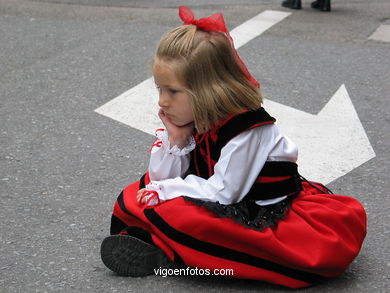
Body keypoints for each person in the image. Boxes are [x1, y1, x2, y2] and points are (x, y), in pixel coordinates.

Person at [100, 6, 366, 288]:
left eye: (173, 91)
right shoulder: (198, 117)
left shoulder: (248, 130)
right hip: (218, 197)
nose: (162, 101)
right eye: (160, 89)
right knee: (139, 193)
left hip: (258, 214)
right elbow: (162, 179)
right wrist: (176, 141)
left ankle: (171, 253)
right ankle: (166, 247)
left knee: (179, 212)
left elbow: (225, 193)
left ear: (207, 89)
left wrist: (164, 191)